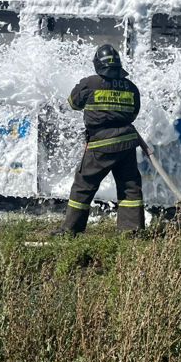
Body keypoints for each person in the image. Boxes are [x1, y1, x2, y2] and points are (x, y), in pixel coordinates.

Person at [53, 44, 145, 236]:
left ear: (97, 64)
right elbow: (134, 112)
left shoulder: (90, 83)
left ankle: (70, 231)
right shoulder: (131, 87)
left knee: (84, 185)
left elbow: (73, 103)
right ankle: (132, 232)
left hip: (100, 145)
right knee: (130, 186)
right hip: (127, 143)